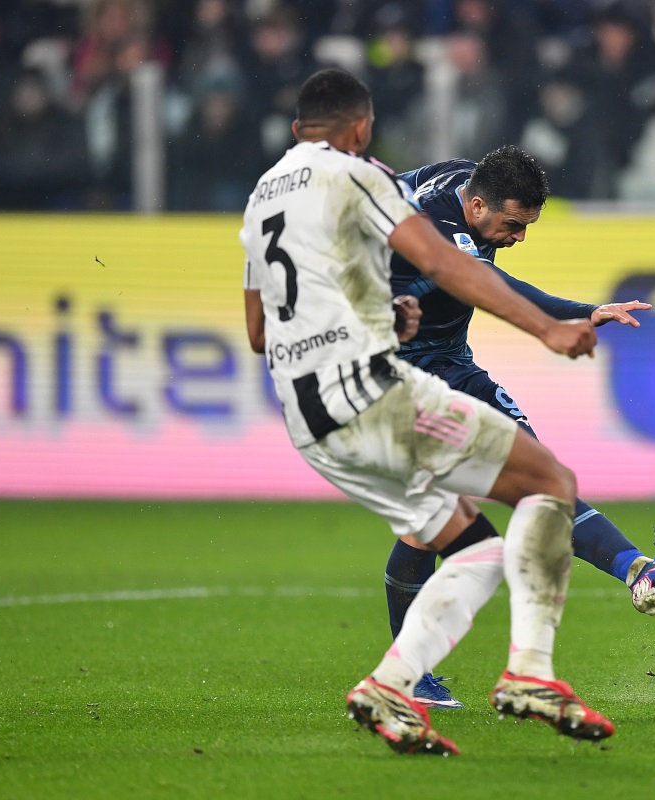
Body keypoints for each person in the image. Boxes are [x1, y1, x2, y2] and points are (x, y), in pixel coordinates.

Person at [240, 67, 614, 756]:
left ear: (296, 130)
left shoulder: (263, 198)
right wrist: (549, 327)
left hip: (306, 418)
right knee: (549, 482)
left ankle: (391, 686)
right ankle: (530, 675)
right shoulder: (363, 177)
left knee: (473, 548)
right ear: (361, 129)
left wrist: (380, 315)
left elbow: (260, 333)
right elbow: (450, 267)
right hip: (369, 395)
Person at [384, 145, 655, 708]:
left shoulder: (458, 177)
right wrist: (585, 311)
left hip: (451, 365)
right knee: (434, 521)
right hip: (396, 379)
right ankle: (409, 674)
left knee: (535, 479)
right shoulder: (441, 232)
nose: (517, 238)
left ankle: (639, 571)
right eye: (512, 226)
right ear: (477, 206)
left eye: (526, 227)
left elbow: (392, 186)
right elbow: (501, 289)